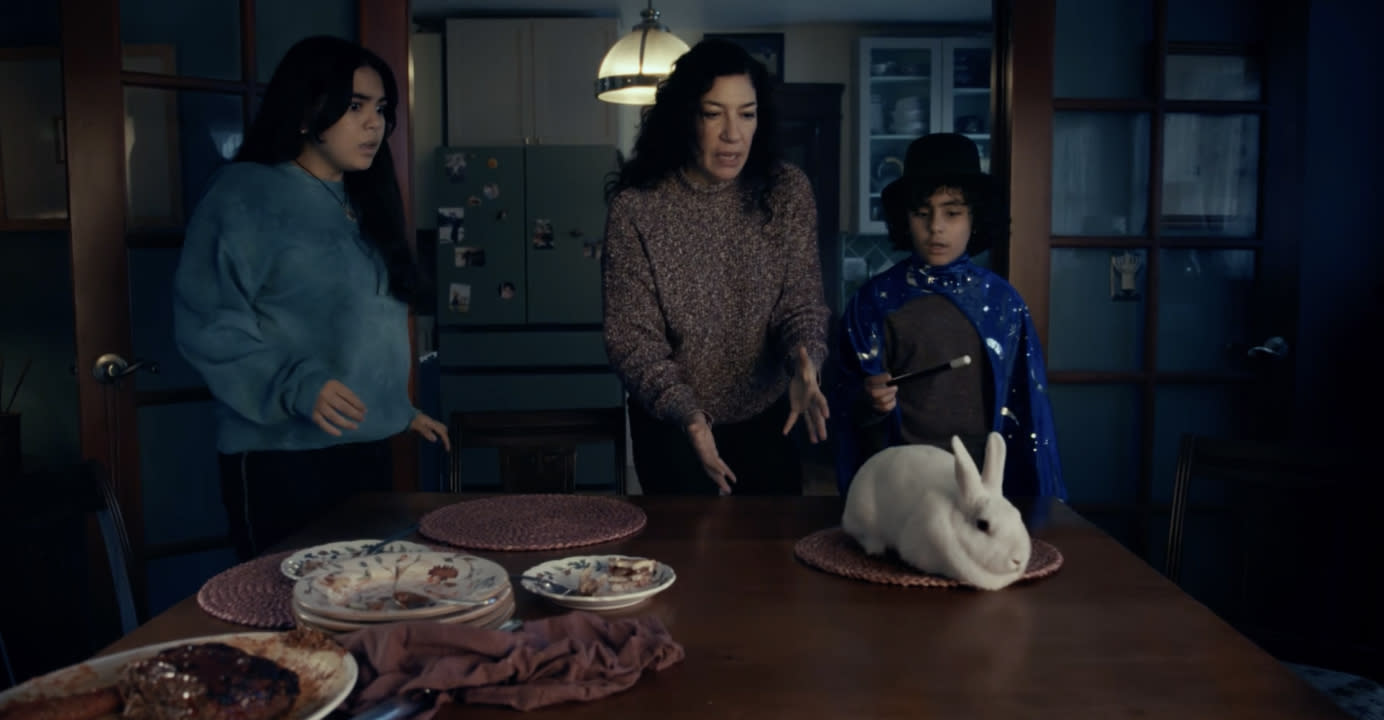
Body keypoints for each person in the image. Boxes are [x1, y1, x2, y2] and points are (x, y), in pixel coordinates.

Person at [173, 35, 450, 561]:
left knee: (367, 605)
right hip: (281, 456)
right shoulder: (243, 194)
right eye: (355, 107)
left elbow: (357, 330)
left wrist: (395, 408)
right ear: (305, 114)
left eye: (382, 109)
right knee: (288, 613)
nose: (376, 123)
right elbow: (208, 323)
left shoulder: (362, 202)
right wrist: (295, 385)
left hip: (366, 452)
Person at [602, 38, 831, 497]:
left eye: (746, 113)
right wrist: (687, 413)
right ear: (685, 118)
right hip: (672, 426)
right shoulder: (638, 208)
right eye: (713, 113)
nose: (733, 133)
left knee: (770, 559)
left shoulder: (786, 192)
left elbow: (801, 302)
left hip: (769, 418)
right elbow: (632, 338)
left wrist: (807, 358)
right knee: (685, 561)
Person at [831, 133, 1065, 501]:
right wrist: (868, 402)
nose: (936, 226)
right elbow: (844, 411)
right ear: (904, 219)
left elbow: (1028, 416)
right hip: (902, 487)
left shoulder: (1004, 303)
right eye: (922, 213)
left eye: (952, 212)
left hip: (985, 488)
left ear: (976, 217)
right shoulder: (872, 303)